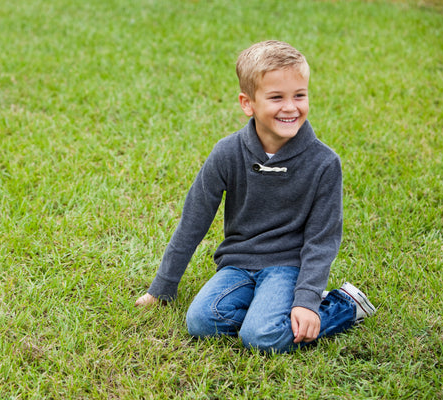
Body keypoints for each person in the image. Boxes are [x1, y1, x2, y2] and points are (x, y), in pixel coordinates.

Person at [135, 40, 376, 353]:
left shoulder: (324, 163)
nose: (291, 107)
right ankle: (269, 312)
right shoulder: (226, 153)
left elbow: (322, 240)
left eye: (299, 95)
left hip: (288, 266)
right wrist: (163, 287)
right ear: (247, 103)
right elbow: (193, 221)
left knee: (260, 337)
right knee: (201, 322)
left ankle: (341, 305)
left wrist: (304, 300)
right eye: (276, 97)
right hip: (237, 265)